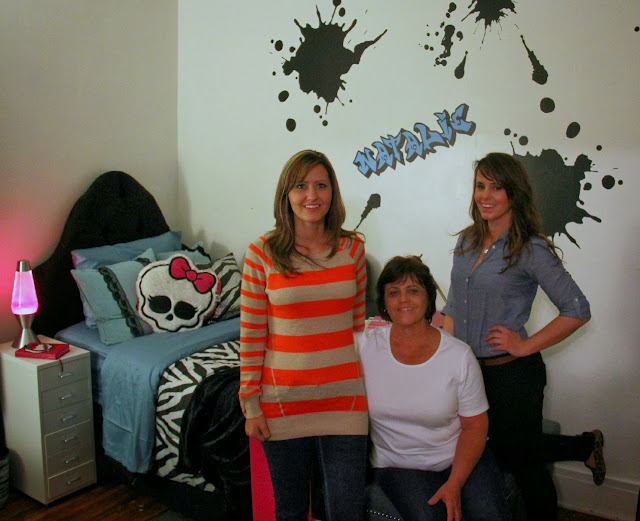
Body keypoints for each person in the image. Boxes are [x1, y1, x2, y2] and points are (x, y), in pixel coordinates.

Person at [442, 152, 605, 521]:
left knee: (524, 464)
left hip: (513, 376)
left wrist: (524, 344)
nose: (485, 195)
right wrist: (444, 353)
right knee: (496, 452)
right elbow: (453, 305)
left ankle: (583, 447)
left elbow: (577, 309)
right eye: (480, 186)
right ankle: (584, 446)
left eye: (496, 188)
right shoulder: (467, 241)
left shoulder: (530, 249)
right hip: (469, 372)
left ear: (513, 193)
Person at [238, 149, 369, 521]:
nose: (312, 195)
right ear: (286, 194)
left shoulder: (353, 249)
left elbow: (357, 326)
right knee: (291, 510)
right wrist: (251, 405)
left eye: (321, 185)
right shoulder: (262, 253)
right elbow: (252, 335)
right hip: (284, 401)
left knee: (348, 510)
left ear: (333, 193)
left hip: (345, 399)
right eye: (301, 186)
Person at [357, 255, 511, 521]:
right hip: (398, 466)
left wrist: (455, 483)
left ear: (428, 297)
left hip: (458, 457)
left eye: (412, 290)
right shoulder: (364, 345)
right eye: (393, 293)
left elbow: (475, 427)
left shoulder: (459, 356)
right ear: (384, 302)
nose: (403, 300)